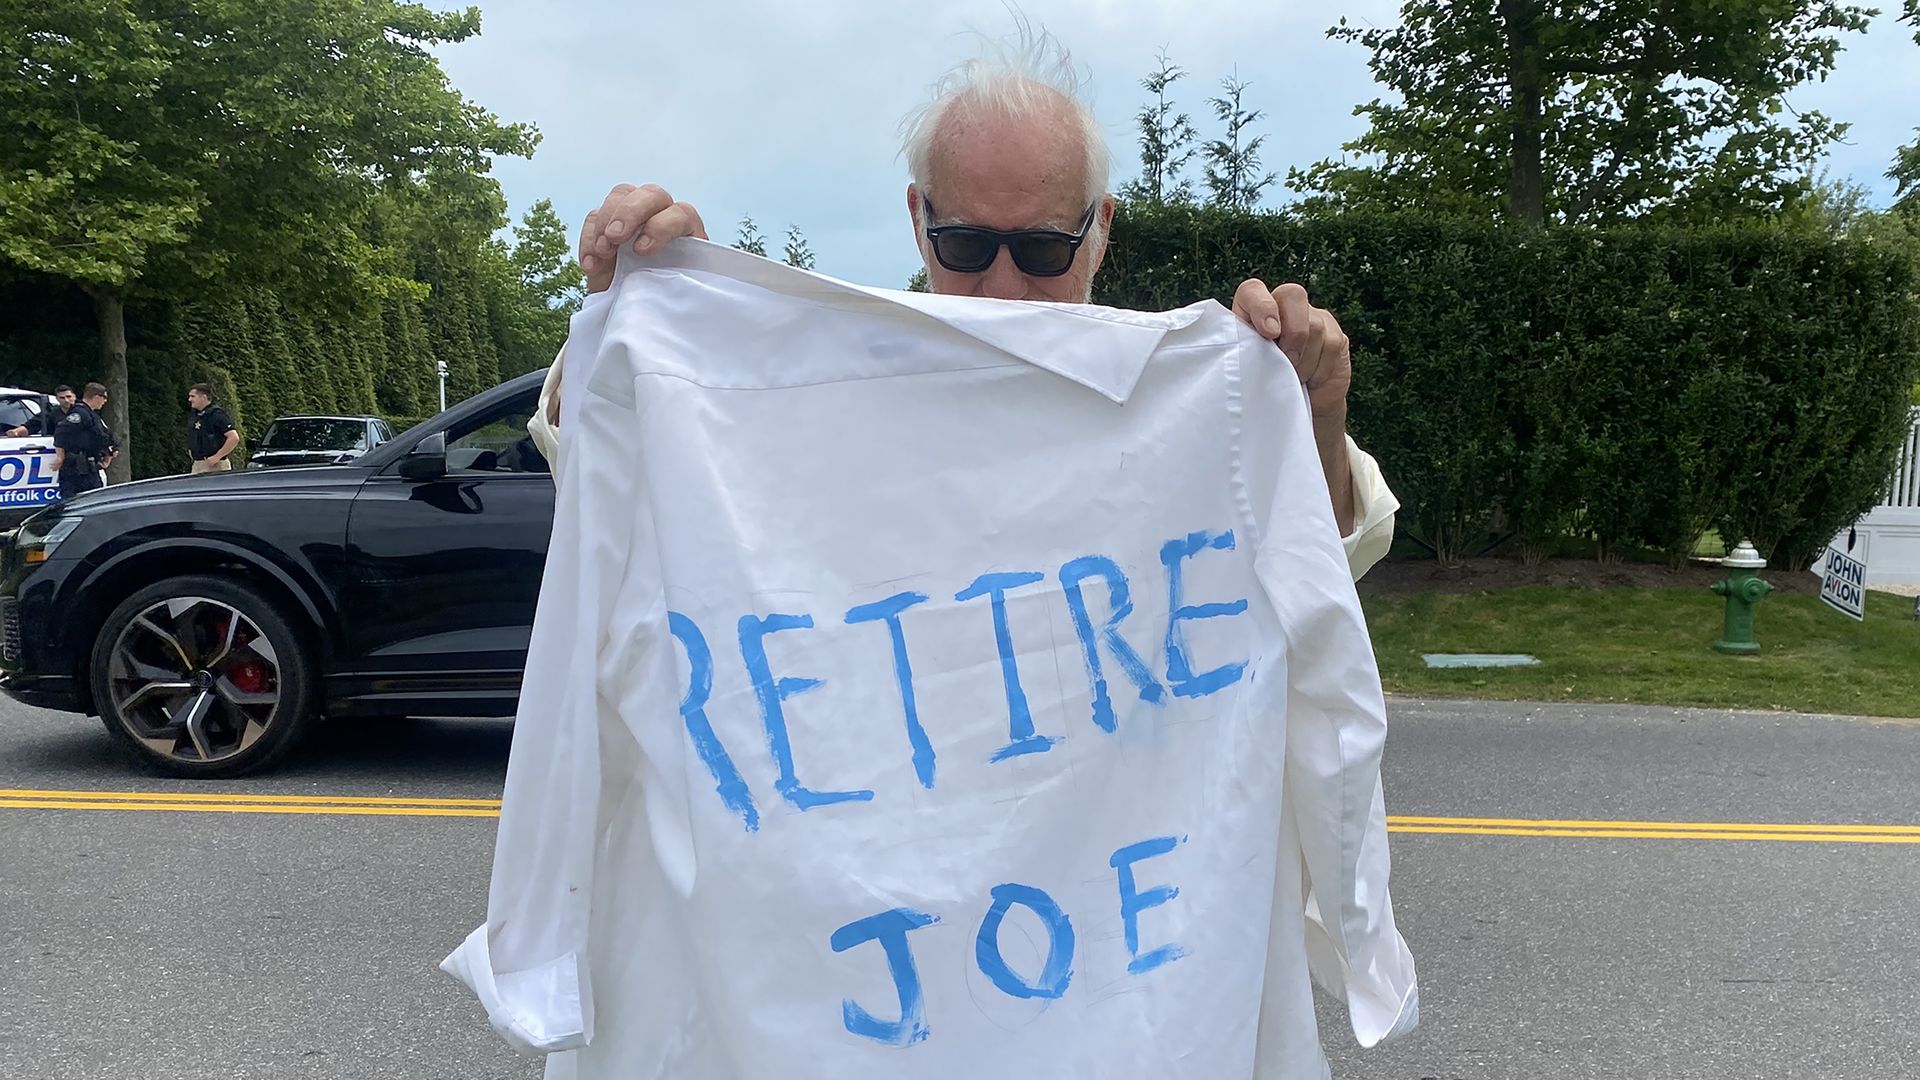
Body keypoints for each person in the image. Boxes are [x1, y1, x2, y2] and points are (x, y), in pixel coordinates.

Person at [539, 53, 1399, 581]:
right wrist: (639, 317)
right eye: (963, 244)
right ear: (917, 218)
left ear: (1100, 227)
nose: (1001, 290)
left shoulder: (1181, 393)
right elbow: (609, 469)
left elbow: (1325, 558)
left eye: (1039, 252)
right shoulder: (834, 388)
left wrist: (1310, 419)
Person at [51, 383, 115, 499]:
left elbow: (106, 437)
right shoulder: (80, 413)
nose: (105, 401)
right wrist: (60, 457)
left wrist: (108, 456)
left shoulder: (92, 415)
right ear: (96, 397)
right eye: (104, 398)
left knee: (95, 499)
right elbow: (60, 432)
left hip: (89, 467)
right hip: (76, 468)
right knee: (73, 502)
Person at [186, 383, 239, 473]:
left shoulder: (216, 415)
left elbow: (234, 437)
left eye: (193, 396)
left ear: (203, 397)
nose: (190, 399)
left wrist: (217, 456)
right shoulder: (196, 415)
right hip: (198, 464)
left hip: (215, 465)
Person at [5, 385, 76, 438]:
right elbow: (31, 426)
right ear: (57, 399)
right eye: (62, 398)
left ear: (74, 396)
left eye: (68, 396)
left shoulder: (84, 411)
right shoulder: (51, 413)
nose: (66, 400)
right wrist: (15, 432)